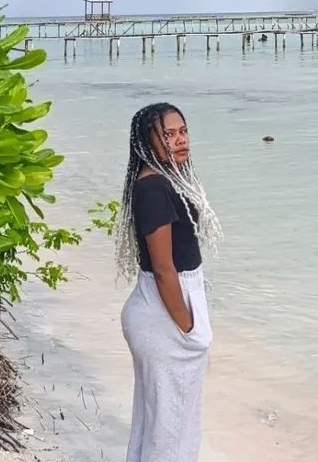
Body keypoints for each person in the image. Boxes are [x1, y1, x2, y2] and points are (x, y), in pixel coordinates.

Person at [115, 103, 222, 462]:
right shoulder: (154, 188)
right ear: (147, 143)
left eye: (183, 132)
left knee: (161, 425)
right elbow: (163, 269)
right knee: (172, 431)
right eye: (168, 134)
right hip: (164, 315)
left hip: (161, 310)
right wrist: (189, 328)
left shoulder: (163, 179)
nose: (180, 140)